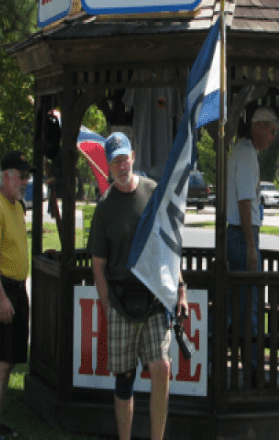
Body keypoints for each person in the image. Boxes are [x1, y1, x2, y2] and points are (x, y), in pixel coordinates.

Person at [88, 132, 188, 440]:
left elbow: (170, 247)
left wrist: (181, 291)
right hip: (120, 301)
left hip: (155, 298)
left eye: (125, 158)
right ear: (109, 165)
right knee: (124, 380)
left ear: (133, 156)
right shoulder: (104, 208)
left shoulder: (153, 193)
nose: (122, 165)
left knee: (161, 368)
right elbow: (99, 266)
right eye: (115, 161)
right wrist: (108, 307)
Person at [0, 151, 34, 440]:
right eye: (21, 175)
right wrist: (1, 297)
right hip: (3, 290)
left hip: (17, 290)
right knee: (2, 362)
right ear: (6, 176)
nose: (25, 181)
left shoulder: (17, 207)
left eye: (27, 176)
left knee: (10, 360)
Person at [225, 106, 279, 384]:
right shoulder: (246, 154)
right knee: (250, 308)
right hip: (241, 237)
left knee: (234, 307)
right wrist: (250, 245)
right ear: (258, 126)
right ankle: (254, 372)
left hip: (236, 235)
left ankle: (218, 361)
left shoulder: (242, 151)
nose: (272, 136)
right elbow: (245, 201)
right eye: (271, 130)